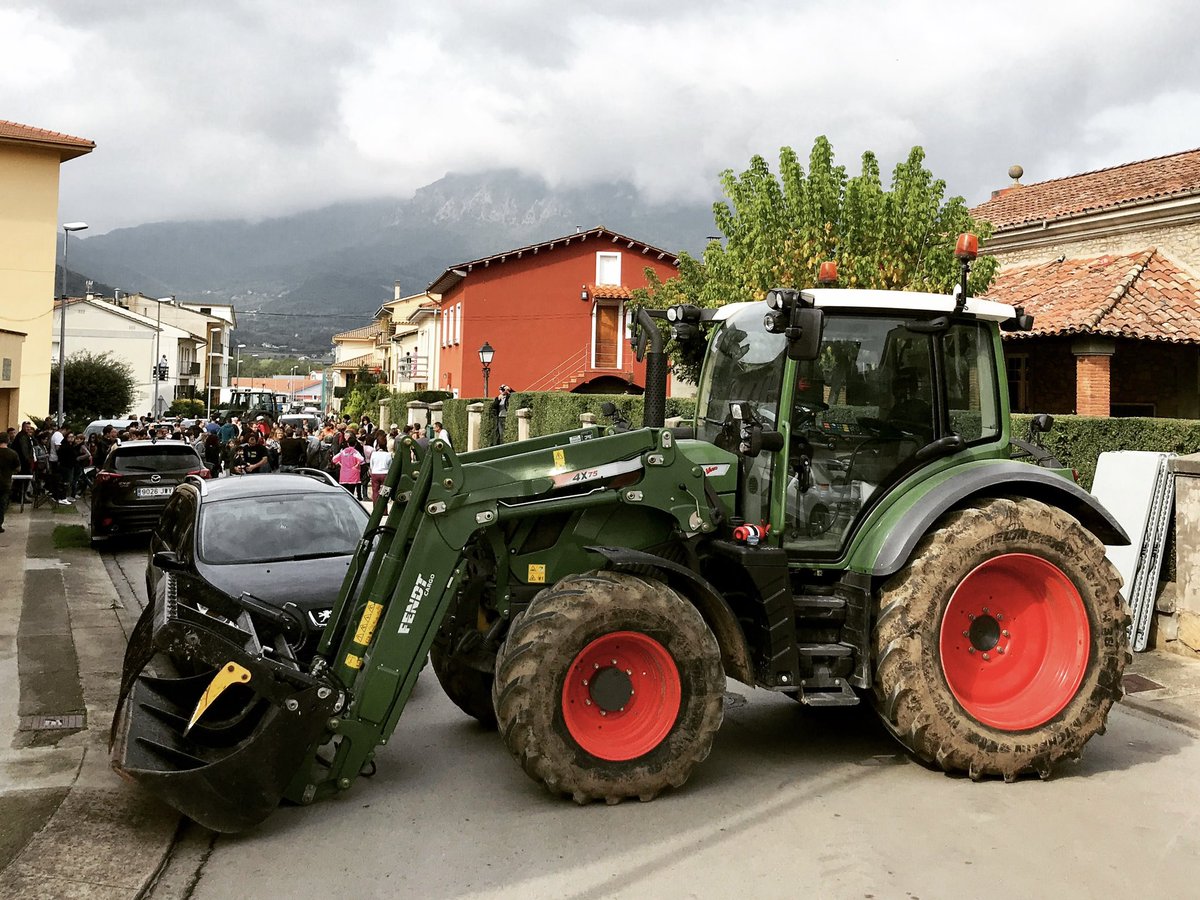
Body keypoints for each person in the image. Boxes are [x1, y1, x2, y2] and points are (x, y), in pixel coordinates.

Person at [0, 433, 19, 533]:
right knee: (2, 504)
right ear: (8, 440)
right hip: (5, 482)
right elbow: (18, 468)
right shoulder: (12, 453)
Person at [368, 433, 392, 502]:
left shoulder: (374, 454)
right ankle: (384, 506)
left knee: (375, 491)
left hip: (375, 473)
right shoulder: (388, 454)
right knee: (384, 492)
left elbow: (371, 465)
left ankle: (376, 506)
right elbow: (390, 465)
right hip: (385, 473)